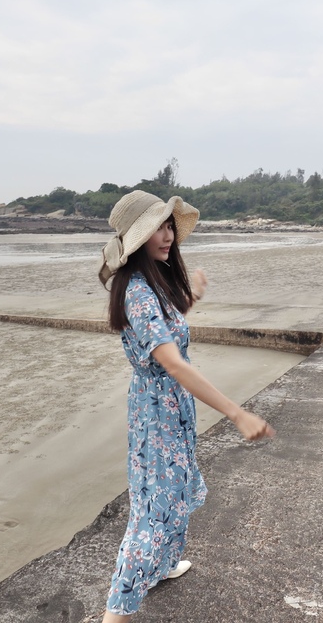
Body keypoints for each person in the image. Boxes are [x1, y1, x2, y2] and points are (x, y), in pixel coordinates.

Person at [97, 190, 275, 621]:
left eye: (169, 224)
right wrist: (237, 412)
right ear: (135, 240)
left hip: (169, 410)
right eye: (157, 227)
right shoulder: (137, 293)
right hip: (157, 413)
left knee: (173, 491)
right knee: (153, 509)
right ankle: (115, 613)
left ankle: (161, 567)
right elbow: (173, 364)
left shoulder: (153, 285)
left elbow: (168, 326)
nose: (168, 235)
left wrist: (192, 294)